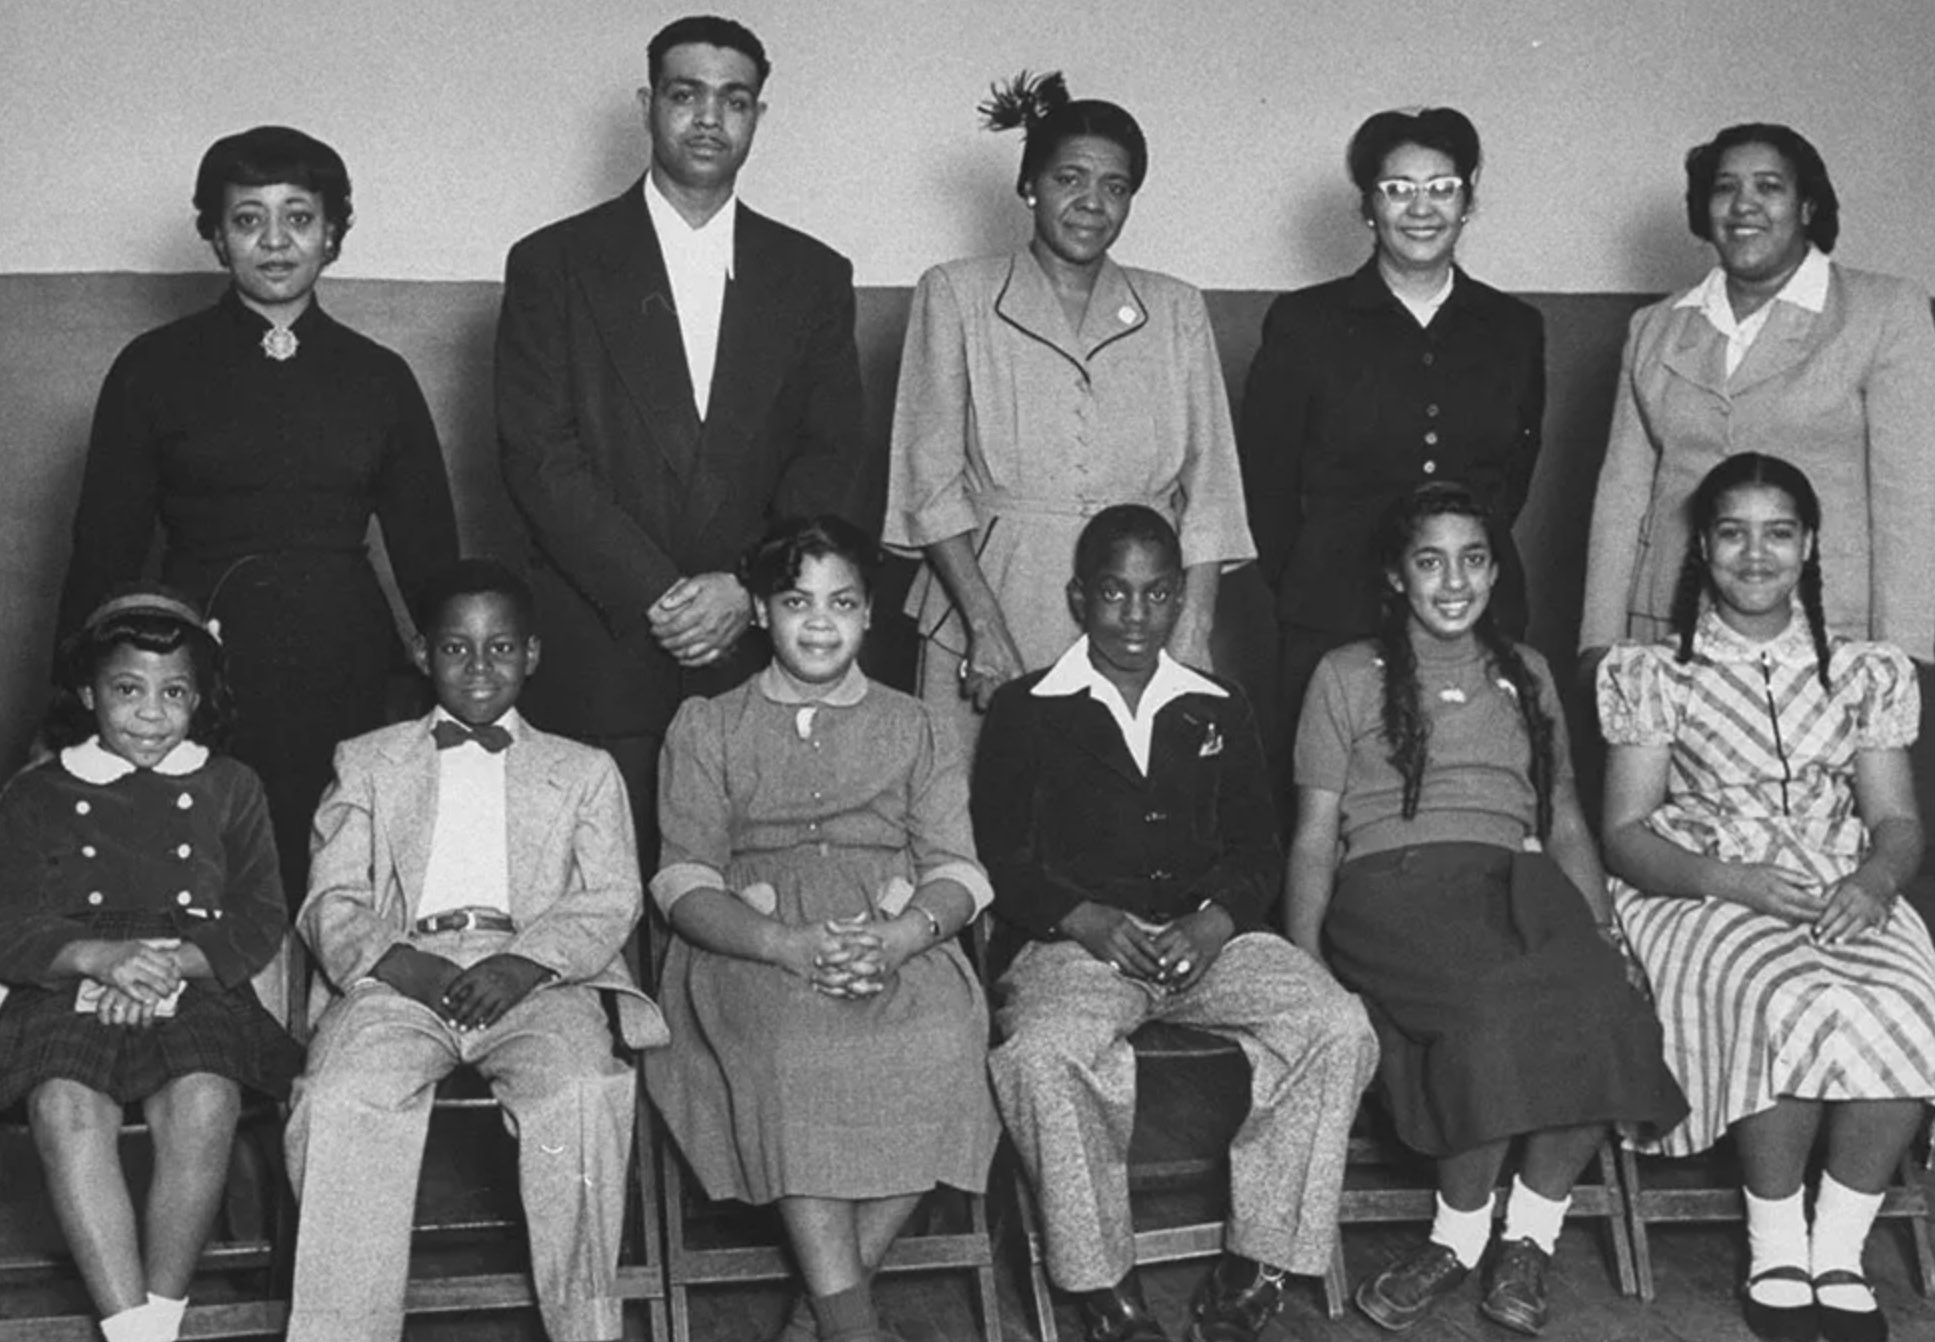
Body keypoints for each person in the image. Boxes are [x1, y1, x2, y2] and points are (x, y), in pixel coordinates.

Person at [1287, 484, 1685, 1336]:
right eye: (1428, 561)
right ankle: (1458, 1237)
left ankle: (1529, 1236)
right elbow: (1315, 836)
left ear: (1495, 569)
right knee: (1484, 1010)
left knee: (1600, 1005)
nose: (1452, 581)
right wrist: (1304, 960)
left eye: (1471, 559)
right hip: (1391, 889)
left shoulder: (1527, 672)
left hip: (1514, 879)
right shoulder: (1346, 674)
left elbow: (1567, 819)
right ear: (1396, 576)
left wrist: (1602, 930)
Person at [974, 505, 1378, 1342]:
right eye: (1114, 593)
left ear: (1177, 601)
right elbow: (1002, 859)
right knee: (1042, 1054)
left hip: (1205, 944)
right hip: (1076, 948)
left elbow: (1259, 849)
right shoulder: (1026, 708)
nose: (1134, 615)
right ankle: (1103, 1284)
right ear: (1077, 598)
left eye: (1155, 594)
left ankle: (1258, 1255)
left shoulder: (1216, 704)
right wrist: (1081, 917)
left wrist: (1215, 923)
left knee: (1335, 1023)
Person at [496, 14, 870, 863]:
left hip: (757, 637)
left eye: (733, 100)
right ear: (647, 104)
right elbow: (538, 455)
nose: (709, 118)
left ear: (757, 119)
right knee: (598, 887)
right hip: (605, 636)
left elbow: (831, 454)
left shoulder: (811, 274)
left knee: (752, 886)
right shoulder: (553, 262)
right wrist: (659, 594)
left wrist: (747, 587)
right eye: (686, 94)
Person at [57, 125, 459, 910]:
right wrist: (67, 701)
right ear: (214, 235)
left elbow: (429, 554)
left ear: (333, 233)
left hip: (346, 662)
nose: (275, 242)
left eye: (299, 218)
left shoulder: (379, 377)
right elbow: (102, 548)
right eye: (248, 219)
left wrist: (456, 691)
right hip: (196, 664)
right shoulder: (152, 367)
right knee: (205, 877)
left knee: (338, 869)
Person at [1598, 453, 1935, 1342]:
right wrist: (1727, 881)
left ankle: (1839, 1248)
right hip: (1695, 885)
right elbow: (1625, 833)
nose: (1756, 555)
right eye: (1733, 533)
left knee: (1901, 1000)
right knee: (1784, 995)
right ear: (1702, 546)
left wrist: (1870, 883)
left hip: (1841, 883)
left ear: (1807, 544)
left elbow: (1897, 823)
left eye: (1777, 533)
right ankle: (1775, 1241)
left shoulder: (1863, 669)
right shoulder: (1652, 670)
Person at [283, 560, 664, 1342]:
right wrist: (401, 964)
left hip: (538, 975)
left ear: (532, 655)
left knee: (583, 1094)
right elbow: (332, 898)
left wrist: (524, 963)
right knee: (339, 1100)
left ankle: (586, 1331)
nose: (479, 667)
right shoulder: (367, 761)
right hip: (399, 973)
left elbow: (610, 896)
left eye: (499, 648)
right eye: (456, 648)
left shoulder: (584, 772)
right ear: (423, 655)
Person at [646, 516, 998, 1342]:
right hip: (749, 941)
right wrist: (783, 946)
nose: (818, 621)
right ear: (763, 613)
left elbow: (959, 866)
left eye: (841, 602)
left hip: (888, 930)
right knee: (794, 1049)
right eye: (796, 600)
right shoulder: (707, 725)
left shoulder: (915, 725)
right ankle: (852, 1328)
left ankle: (822, 1310)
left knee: (946, 1038)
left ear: (869, 615)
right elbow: (681, 880)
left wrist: (903, 936)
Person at [885, 71, 1254, 754]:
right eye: (1068, 179)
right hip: (993, 599)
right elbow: (928, 484)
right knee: (975, 823)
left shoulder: (1173, 308)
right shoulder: (955, 294)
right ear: (1028, 186)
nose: (1091, 203)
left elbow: (1211, 493)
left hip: (1141, 612)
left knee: (1126, 827)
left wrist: (1194, 628)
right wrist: (982, 626)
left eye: (1114, 187)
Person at [0, 588, 300, 1342]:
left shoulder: (232, 786)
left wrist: (170, 965)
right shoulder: (36, 792)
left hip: (189, 972)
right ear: (86, 692)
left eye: (174, 693)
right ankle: (129, 1329)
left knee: (204, 1099)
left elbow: (261, 913)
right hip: (68, 975)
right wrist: (99, 958)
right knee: (64, 1105)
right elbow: (11, 920)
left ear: (200, 698)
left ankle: (156, 1321)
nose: (150, 713)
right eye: (127, 690)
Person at [1239, 107, 1544, 811]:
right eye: (1396, 188)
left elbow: (1511, 479)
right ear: (1365, 205)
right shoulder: (1305, 322)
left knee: (1466, 797)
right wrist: (1309, 580)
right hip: (1330, 606)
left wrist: (1458, 565)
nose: (1420, 207)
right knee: (1324, 804)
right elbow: (1266, 480)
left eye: (1440, 187)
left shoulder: (1512, 329)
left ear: (1468, 199)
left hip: (1474, 606)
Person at [1581, 122, 1935, 668]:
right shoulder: (1654, 328)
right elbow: (1621, 497)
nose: (1744, 205)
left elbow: (1910, 501)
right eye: (1725, 188)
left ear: (1808, 206)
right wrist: (1599, 644)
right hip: (1672, 630)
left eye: (1769, 187)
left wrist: (1908, 655)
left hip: (1829, 633)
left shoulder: (1885, 312)